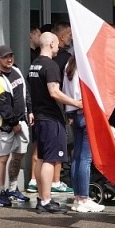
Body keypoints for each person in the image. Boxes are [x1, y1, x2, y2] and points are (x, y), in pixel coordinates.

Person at [28, 31, 82, 213]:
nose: (59, 46)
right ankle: (46, 200)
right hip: (51, 118)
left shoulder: (33, 65)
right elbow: (54, 92)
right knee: (51, 160)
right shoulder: (50, 66)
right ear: (51, 44)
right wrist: (76, 103)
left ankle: (40, 198)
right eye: (57, 43)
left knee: (43, 158)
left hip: (40, 117)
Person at [0, 44, 32, 207]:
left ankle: (13, 188)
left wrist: (30, 111)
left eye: (10, 56)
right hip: (5, 126)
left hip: (21, 121)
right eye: (5, 57)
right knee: (2, 158)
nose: (9, 59)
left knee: (19, 155)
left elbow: (25, 92)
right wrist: (13, 124)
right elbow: (2, 105)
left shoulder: (17, 71)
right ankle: (0, 193)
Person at [62, 55, 104, 214]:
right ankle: (84, 198)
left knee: (78, 157)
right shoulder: (84, 66)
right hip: (86, 113)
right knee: (85, 158)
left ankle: (78, 198)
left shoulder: (69, 65)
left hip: (74, 114)